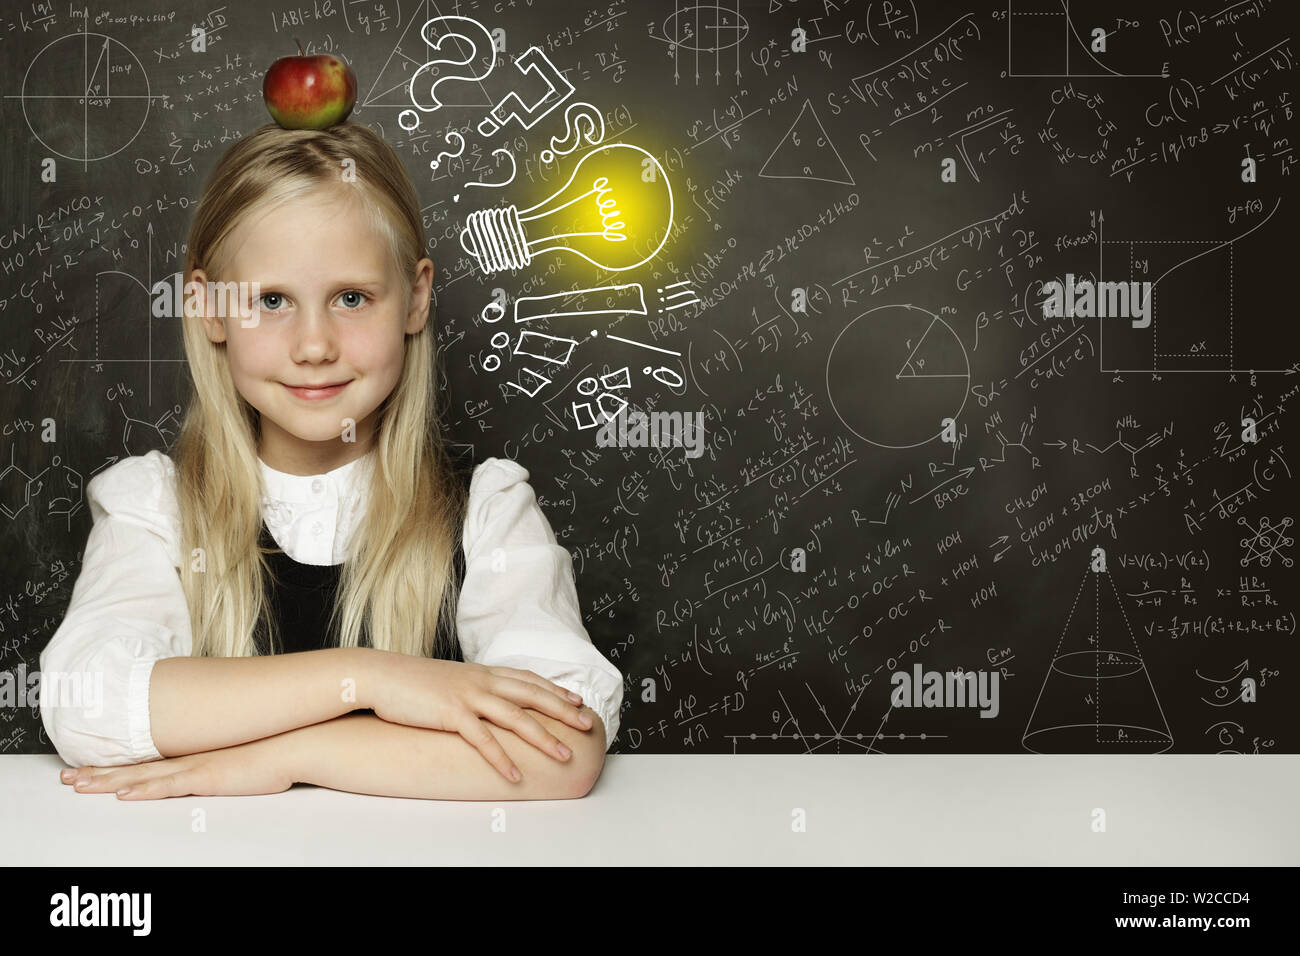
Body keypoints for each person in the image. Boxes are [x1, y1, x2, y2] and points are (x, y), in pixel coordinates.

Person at [39, 122, 622, 801]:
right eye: (272, 301)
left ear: (416, 297)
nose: (314, 345)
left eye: (351, 298)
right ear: (209, 309)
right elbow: (87, 705)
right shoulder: (156, 508)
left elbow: (564, 751)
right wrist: (374, 680)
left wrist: (287, 757)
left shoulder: (485, 510)